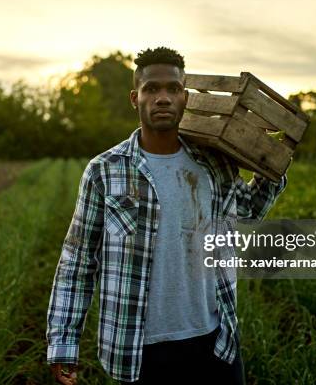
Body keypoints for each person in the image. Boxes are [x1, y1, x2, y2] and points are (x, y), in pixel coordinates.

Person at [47, 47, 287, 384]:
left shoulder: (215, 163)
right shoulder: (105, 171)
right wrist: (63, 343)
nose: (163, 98)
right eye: (152, 89)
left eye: (172, 89)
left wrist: (271, 161)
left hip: (215, 342)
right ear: (135, 97)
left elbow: (249, 210)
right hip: (140, 350)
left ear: (185, 97)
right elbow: (78, 260)